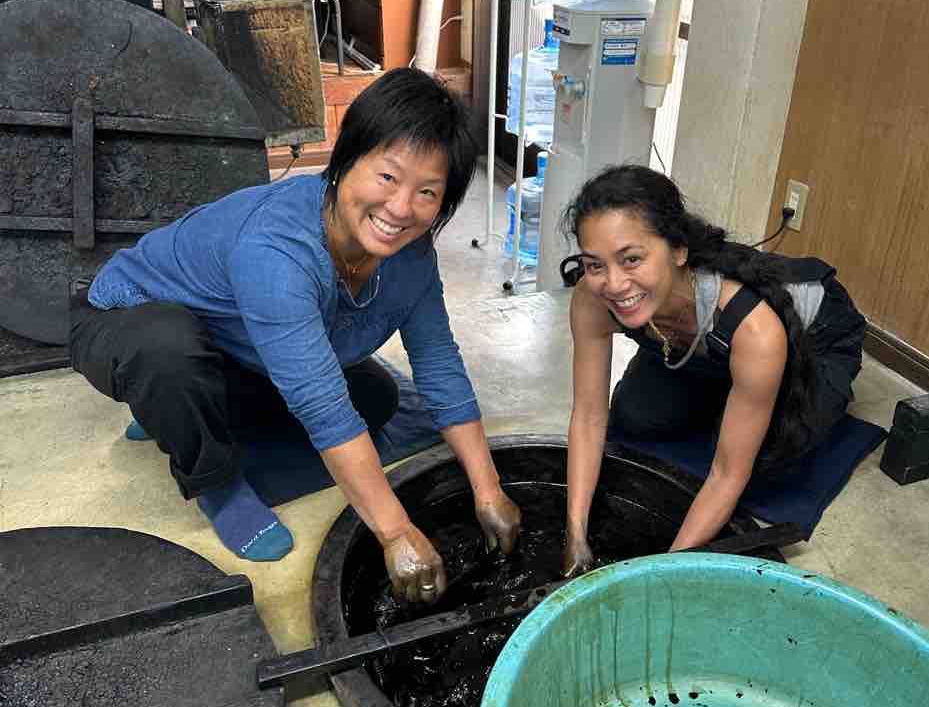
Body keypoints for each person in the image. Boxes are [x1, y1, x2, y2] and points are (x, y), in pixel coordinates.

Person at [69, 69, 521, 603]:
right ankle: (215, 481)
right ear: (347, 158)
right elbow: (321, 406)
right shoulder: (277, 247)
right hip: (126, 320)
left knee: (376, 398)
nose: (401, 208)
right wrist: (396, 532)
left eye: (427, 192)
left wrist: (489, 491)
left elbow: (439, 364)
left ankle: (175, 412)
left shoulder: (412, 257)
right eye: (387, 177)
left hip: (229, 343)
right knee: (167, 355)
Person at [559, 165, 866, 574]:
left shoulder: (755, 328)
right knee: (633, 418)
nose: (614, 284)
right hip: (698, 340)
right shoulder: (593, 297)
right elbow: (589, 416)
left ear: (679, 250)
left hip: (820, 339)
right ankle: (733, 385)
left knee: (770, 459)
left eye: (631, 259)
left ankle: (754, 390)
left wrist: (659, 573)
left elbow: (726, 474)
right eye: (595, 265)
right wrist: (575, 532)